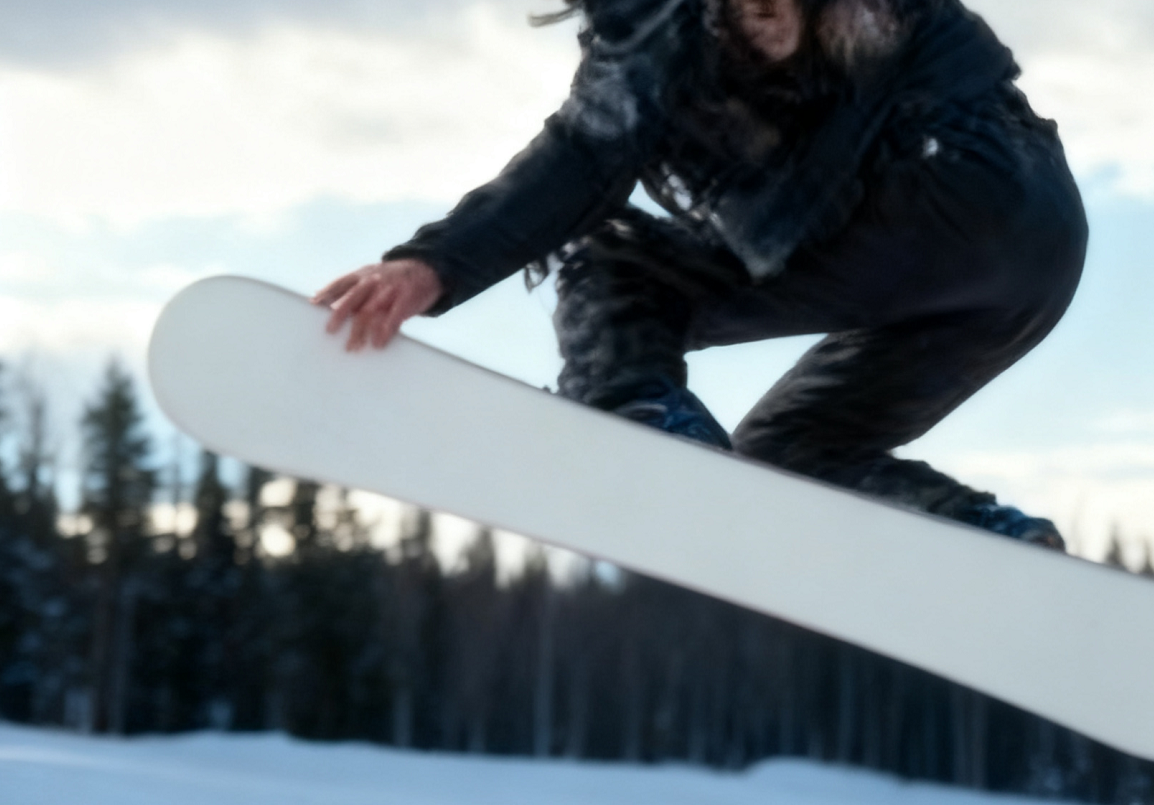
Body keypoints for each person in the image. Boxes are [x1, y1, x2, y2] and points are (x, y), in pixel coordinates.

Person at [314, 0, 1087, 548]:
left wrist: (435, 262)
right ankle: (977, 540)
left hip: (928, 188)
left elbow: (587, 151)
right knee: (791, 454)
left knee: (610, 262)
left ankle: (647, 423)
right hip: (1036, 243)